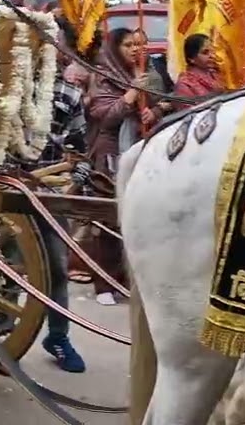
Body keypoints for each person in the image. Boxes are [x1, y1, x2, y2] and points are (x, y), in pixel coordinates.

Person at [34, 16, 88, 372]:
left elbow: (81, 152)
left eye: (57, 44)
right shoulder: (4, 87)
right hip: (4, 189)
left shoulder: (70, 94)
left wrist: (74, 181)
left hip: (52, 193)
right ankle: (4, 331)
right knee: (6, 265)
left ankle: (58, 336)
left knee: (56, 269)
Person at [83, 27, 151, 305]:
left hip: (138, 151)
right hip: (110, 154)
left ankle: (125, 279)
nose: (135, 50)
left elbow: (161, 106)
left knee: (135, 220)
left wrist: (153, 110)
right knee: (109, 220)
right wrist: (132, 95)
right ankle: (103, 285)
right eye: (127, 45)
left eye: (139, 44)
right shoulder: (103, 77)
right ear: (114, 48)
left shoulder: (146, 73)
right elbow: (105, 117)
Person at [172, 33, 224, 103]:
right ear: (191, 59)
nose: (212, 56)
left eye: (213, 51)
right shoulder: (185, 85)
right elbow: (189, 111)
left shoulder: (218, 74)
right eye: (205, 52)